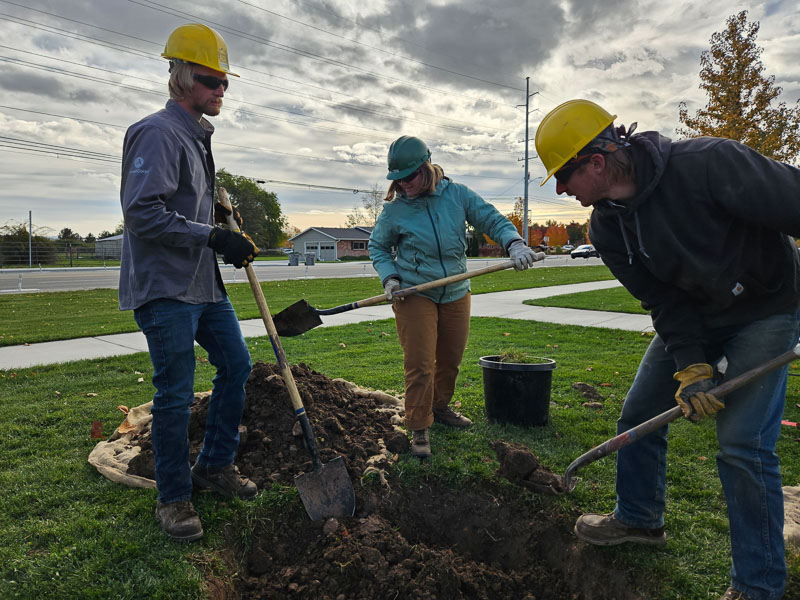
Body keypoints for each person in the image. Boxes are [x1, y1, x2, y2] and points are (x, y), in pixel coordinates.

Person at [535, 99, 800, 600]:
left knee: (743, 444)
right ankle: (639, 519)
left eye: (564, 176)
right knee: (638, 413)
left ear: (595, 161)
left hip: (766, 308)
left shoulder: (709, 164)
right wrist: (691, 364)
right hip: (696, 316)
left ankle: (758, 586)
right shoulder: (606, 227)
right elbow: (662, 299)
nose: (562, 189)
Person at [119, 23, 261, 542]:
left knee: (237, 365)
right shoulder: (157, 132)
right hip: (165, 289)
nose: (219, 90)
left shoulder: (196, 135)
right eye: (209, 80)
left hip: (202, 287)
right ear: (179, 76)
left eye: (225, 83)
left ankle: (215, 465)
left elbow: (187, 206)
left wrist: (223, 221)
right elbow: (142, 214)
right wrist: (214, 239)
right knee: (175, 393)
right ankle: (174, 498)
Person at [369, 136, 539, 458]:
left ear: (427, 166)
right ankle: (419, 425)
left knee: (450, 360)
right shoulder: (394, 211)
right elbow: (378, 247)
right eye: (399, 180)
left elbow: (491, 219)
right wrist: (389, 277)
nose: (405, 184)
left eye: (410, 177)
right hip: (415, 293)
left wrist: (514, 243)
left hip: (457, 292)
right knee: (419, 363)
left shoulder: (457, 195)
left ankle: (441, 408)